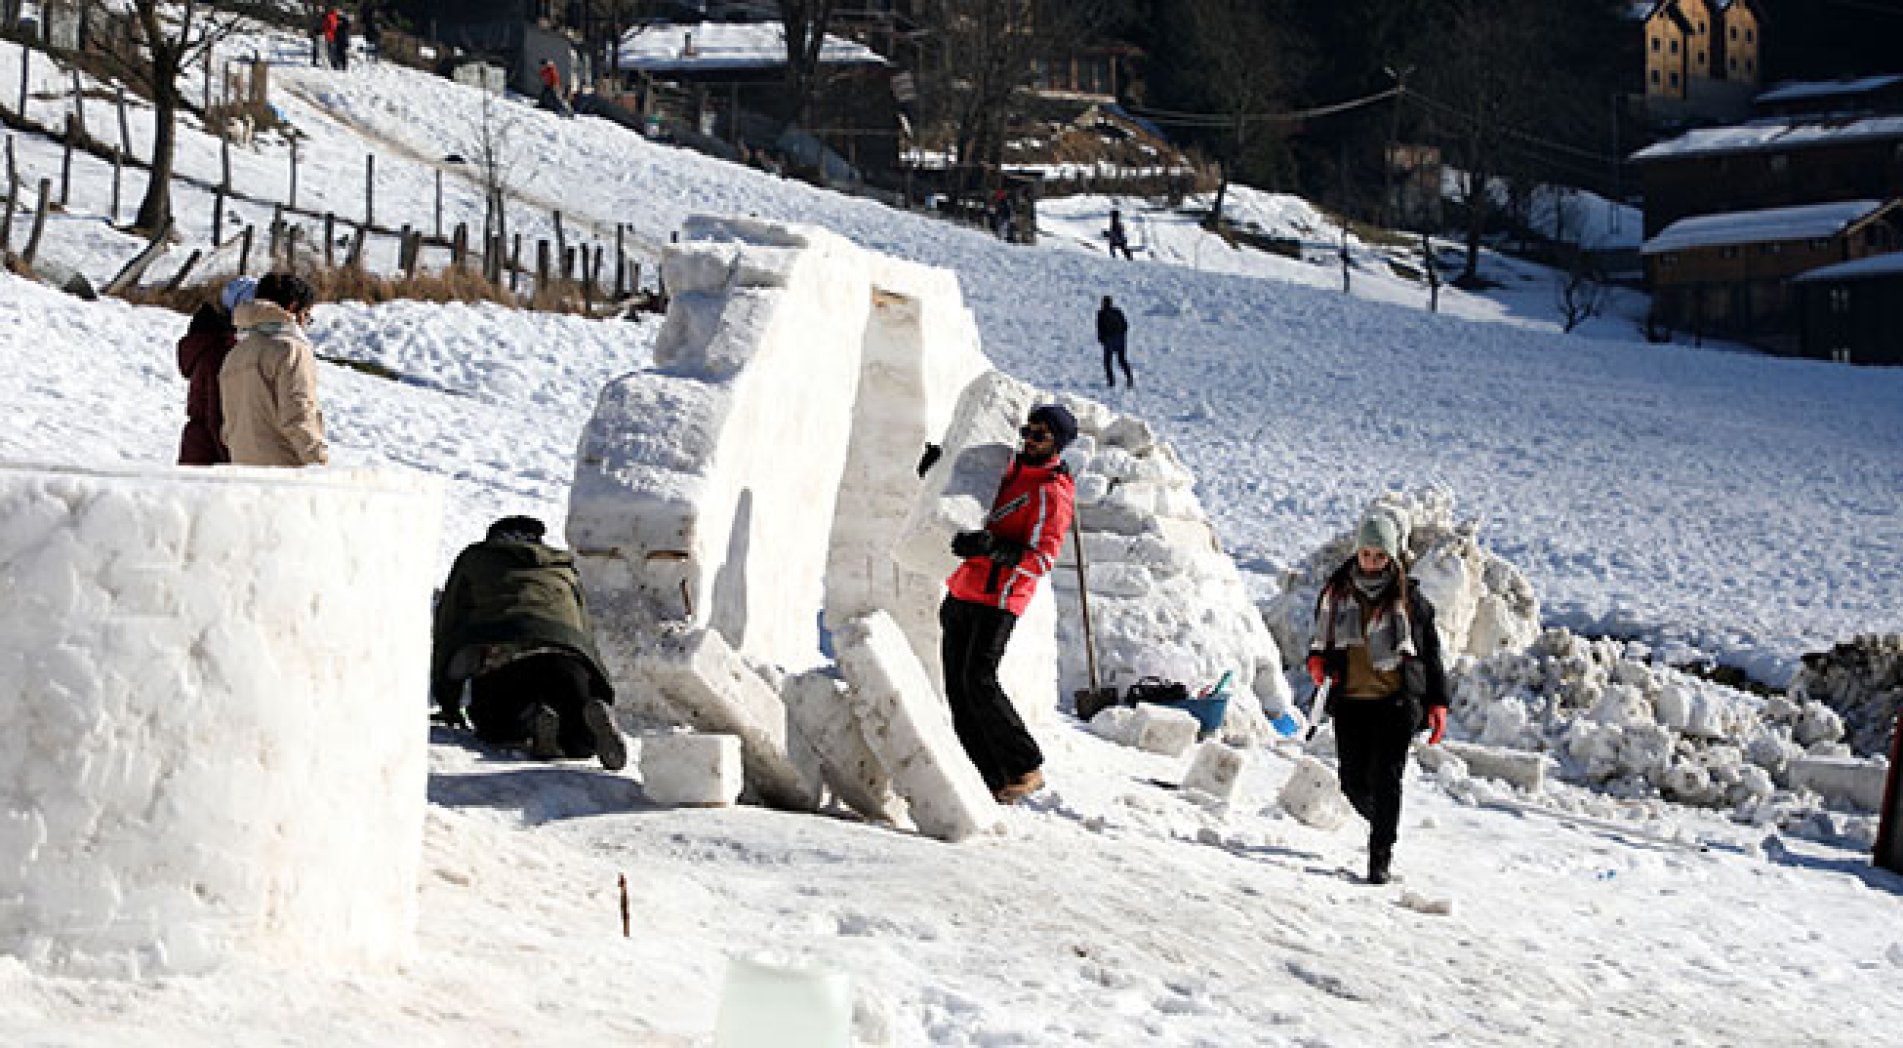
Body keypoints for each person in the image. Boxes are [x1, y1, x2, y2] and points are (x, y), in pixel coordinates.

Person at [941, 404, 1078, 803]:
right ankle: (990, 777)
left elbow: (1043, 559)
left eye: (1041, 436)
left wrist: (994, 550)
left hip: (999, 598)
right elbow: (964, 502)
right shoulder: (1002, 468)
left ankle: (1025, 765)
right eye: (1028, 431)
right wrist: (938, 472)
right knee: (957, 689)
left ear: (1058, 445)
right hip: (963, 588)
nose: (1030, 440)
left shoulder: (1052, 492)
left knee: (978, 682)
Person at [1305, 509, 1449, 885]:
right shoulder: (1337, 593)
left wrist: (1437, 703)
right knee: (1353, 782)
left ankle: (1380, 856)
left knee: (1388, 780)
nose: (1372, 562)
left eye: (1380, 555)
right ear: (1358, 552)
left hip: (1396, 703)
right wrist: (1318, 660)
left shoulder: (1410, 602)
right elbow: (1322, 641)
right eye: (1366, 554)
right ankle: (1385, 819)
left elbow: (1431, 655)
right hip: (1351, 701)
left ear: (1392, 557)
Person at [432, 515, 626, 771]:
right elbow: (585, 632)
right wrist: (600, 692)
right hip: (567, 656)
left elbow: (449, 622)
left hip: (504, 656)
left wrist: (449, 701)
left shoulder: (476, 558)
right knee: (581, 741)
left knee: (495, 726)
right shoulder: (562, 567)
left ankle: (534, 722)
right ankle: (578, 727)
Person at [220, 271, 328, 467]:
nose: (305, 324)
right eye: (306, 316)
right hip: (286, 474)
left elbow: (229, 428)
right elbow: (299, 416)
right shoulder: (290, 349)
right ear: (293, 308)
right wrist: (319, 465)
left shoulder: (234, 354)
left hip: (245, 473)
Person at [176, 276, 255, 465]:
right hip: (209, 456)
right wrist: (228, 460)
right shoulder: (219, 352)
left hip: (200, 448)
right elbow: (215, 412)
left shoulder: (214, 344)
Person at [1096, 295, 1131, 388]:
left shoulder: (1101, 314)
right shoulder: (1118, 311)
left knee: (1107, 362)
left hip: (1109, 341)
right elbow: (1125, 325)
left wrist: (1102, 339)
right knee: (1122, 360)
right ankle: (1129, 378)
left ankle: (1111, 382)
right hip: (1120, 340)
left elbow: (1100, 328)